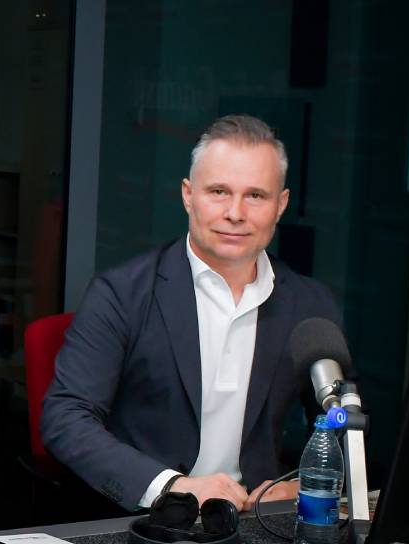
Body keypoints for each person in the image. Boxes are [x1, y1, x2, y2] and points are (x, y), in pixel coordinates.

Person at [42, 114, 341, 512]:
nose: (235, 212)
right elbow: (65, 418)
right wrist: (172, 487)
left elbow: (344, 423)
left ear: (281, 204)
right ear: (188, 195)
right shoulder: (122, 293)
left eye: (255, 196)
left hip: (254, 522)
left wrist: (306, 482)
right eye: (219, 191)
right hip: (143, 520)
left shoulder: (310, 305)